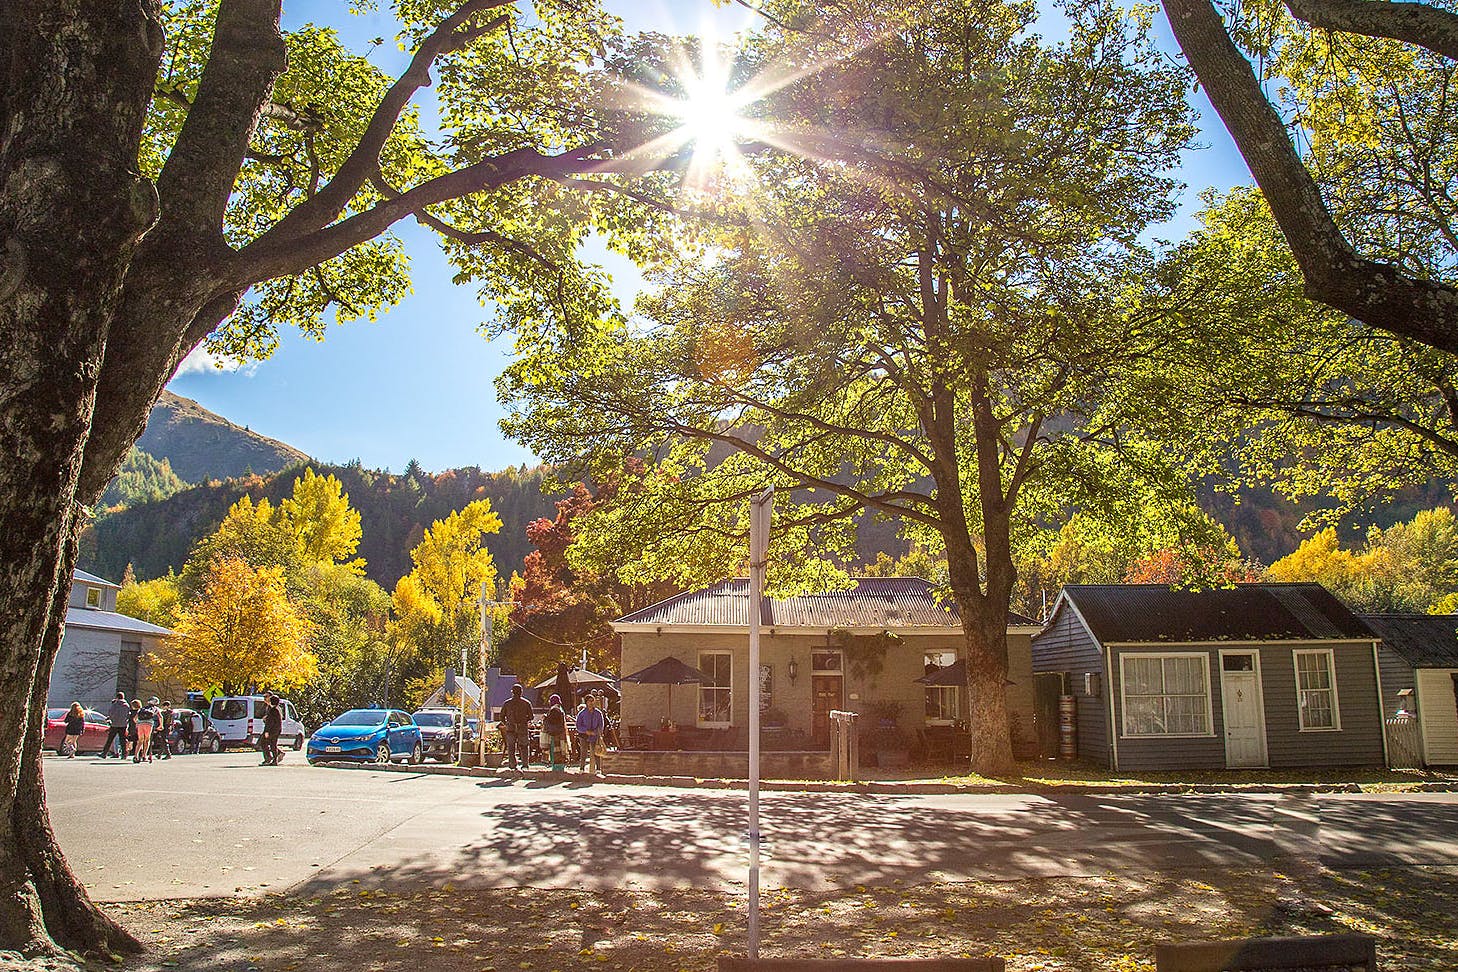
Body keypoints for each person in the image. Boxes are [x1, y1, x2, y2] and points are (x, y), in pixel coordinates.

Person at [499, 683, 533, 771]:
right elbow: (531, 717)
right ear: (521, 692)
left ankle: (512, 765)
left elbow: (501, 716)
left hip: (510, 727)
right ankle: (525, 765)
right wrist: (525, 720)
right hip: (522, 727)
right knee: (524, 746)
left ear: (512, 692)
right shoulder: (526, 703)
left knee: (511, 747)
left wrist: (506, 723)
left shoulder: (507, 703)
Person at [574, 692, 607, 778]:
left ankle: (598, 769)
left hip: (595, 735)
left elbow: (601, 725)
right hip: (584, 735)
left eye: (593, 701)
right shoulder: (581, 713)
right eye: (589, 701)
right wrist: (585, 731)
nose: (591, 702)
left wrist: (596, 732)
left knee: (596, 751)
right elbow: (578, 725)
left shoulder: (598, 713)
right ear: (586, 702)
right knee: (583, 752)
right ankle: (582, 768)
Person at [542, 694, 568, 771]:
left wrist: (545, 718)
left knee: (555, 750)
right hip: (561, 732)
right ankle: (560, 767)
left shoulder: (554, 709)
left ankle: (556, 767)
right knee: (560, 750)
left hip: (555, 734)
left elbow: (552, 721)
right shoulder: (560, 709)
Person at [102, 691, 129, 758]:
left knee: (110, 739)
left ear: (117, 697)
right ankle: (124, 754)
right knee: (122, 740)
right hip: (123, 725)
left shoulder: (115, 704)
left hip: (114, 724)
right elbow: (128, 715)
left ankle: (104, 753)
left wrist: (111, 720)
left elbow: (110, 713)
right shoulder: (127, 705)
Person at [260, 694, 283, 766]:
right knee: (273, 745)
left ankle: (269, 759)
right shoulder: (278, 709)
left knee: (264, 743)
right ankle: (275, 760)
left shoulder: (273, 710)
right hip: (277, 730)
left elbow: (270, 722)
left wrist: (267, 731)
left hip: (271, 730)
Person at [133, 698, 156, 763]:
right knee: (147, 740)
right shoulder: (155, 709)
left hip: (140, 724)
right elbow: (160, 717)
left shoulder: (142, 709)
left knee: (140, 741)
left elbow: (135, 718)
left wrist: (137, 723)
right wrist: (160, 726)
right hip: (149, 724)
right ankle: (144, 756)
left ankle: (136, 756)